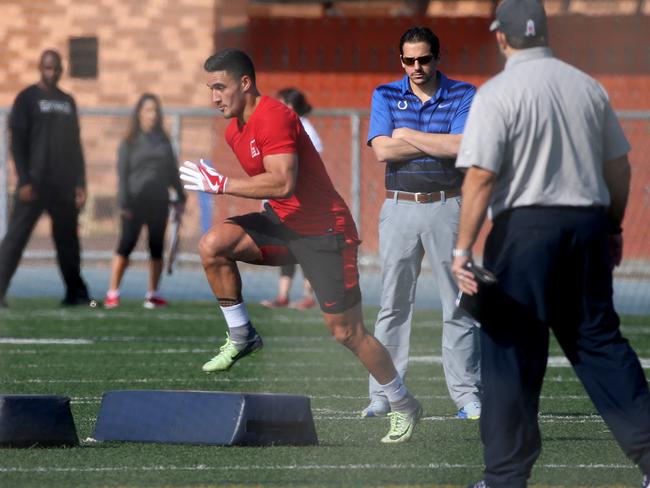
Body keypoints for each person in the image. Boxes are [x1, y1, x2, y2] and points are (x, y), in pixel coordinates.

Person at [452, 1, 650, 487]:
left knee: (510, 349)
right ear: (545, 33)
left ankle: (505, 478)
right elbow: (619, 168)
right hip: (587, 227)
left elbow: (480, 176)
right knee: (600, 344)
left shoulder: (498, 92)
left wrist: (463, 250)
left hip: (525, 232)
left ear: (502, 36)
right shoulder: (587, 87)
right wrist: (613, 227)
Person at [179, 48, 422, 443]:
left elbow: (282, 183)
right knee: (213, 244)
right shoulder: (233, 130)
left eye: (220, 87)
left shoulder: (274, 115)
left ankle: (403, 402)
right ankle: (242, 335)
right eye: (210, 89)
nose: (215, 97)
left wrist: (221, 185)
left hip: (326, 232)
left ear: (245, 83)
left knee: (348, 334)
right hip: (285, 225)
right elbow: (277, 195)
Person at [364, 26, 481, 420]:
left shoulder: (464, 94)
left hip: (449, 206)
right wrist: (436, 140)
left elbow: (462, 145)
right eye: (408, 60)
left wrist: (408, 134)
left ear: (437, 58)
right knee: (392, 305)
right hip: (399, 207)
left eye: (424, 59)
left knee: (459, 304)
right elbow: (382, 151)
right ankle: (384, 395)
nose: (416, 67)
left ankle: (466, 396)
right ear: (401, 61)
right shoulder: (384, 93)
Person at [0, 49, 92, 308]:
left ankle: (76, 293)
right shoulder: (26, 98)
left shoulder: (67, 101)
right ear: (40, 68)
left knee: (68, 242)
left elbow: (76, 146)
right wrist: (24, 180)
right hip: (34, 184)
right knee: (15, 239)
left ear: (62, 69)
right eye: (48, 68)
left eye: (56, 68)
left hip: (63, 185)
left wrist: (80, 183)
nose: (52, 72)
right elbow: (17, 143)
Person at [103, 93, 186, 309]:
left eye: (155, 110)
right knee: (126, 244)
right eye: (148, 109)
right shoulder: (129, 142)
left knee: (156, 247)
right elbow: (122, 174)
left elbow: (171, 172)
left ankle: (153, 293)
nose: (153, 114)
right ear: (139, 113)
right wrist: (123, 203)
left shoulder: (164, 141)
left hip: (158, 201)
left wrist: (180, 195)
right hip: (134, 201)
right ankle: (113, 292)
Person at [260, 87, 321, 310]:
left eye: (281, 103)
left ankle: (309, 296)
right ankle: (283, 295)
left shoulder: (304, 129)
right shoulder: (285, 127)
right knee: (287, 246)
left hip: (302, 201)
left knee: (304, 246)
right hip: (285, 200)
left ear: (291, 106)